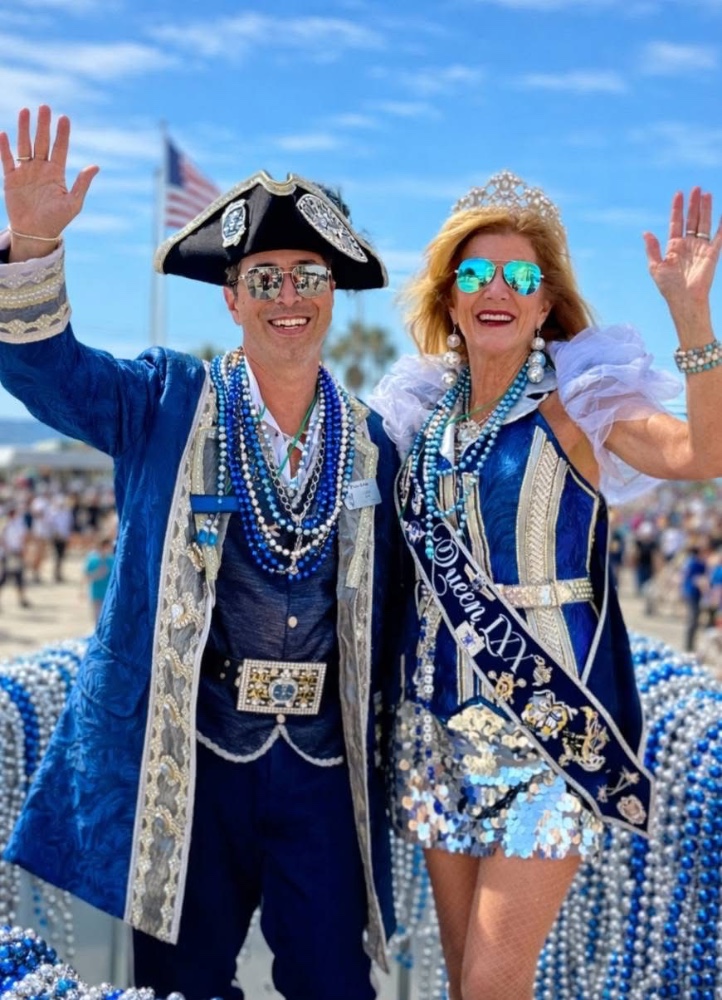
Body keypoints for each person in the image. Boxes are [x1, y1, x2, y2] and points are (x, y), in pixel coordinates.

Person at [0, 105, 400, 1000]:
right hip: (192, 769)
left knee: (338, 985)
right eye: (265, 279)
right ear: (230, 296)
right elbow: (48, 374)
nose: (287, 298)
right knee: (181, 988)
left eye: (306, 277)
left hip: (325, 773)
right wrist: (30, 245)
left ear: (333, 290)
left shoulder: (376, 443)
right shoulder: (164, 402)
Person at [370, 170, 722, 1000]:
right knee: (465, 981)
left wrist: (692, 315)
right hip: (434, 734)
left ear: (543, 305)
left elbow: (700, 457)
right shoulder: (418, 419)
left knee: (494, 980)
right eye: (477, 274)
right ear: (449, 298)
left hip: (547, 738)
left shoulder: (581, 405)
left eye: (521, 277)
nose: (499, 289)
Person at [84, 534, 115, 623]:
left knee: (108, 617)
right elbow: (87, 575)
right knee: (97, 618)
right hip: (96, 593)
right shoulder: (92, 559)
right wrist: (97, 574)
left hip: (108, 593)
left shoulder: (112, 560)